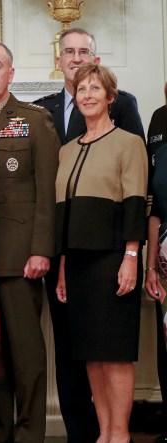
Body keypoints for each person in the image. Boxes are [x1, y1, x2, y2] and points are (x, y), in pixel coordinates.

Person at [34, 29, 145, 442]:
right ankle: (102, 434)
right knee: (88, 355)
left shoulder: (129, 142)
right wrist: (62, 266)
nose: (87, 95)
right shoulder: (67, 148)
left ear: (110, 96)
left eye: (95, 88)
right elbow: (62, 214)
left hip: (112, 260)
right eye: (82, 89)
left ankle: (119, 434)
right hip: (75, 264)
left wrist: (131, 257)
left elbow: (135, 204)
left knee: (114, 354)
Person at [0, 41, 60, 443]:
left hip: (20, 255)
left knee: (26, 353)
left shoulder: (35, 121)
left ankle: (30, 433)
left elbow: (46, 191)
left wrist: (41, 249)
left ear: (10, 74)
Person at [142, 80, 167, 443]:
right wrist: (149, 263)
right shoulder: (159, 120)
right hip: (163, 252)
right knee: (165, 341)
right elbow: (153, 202)